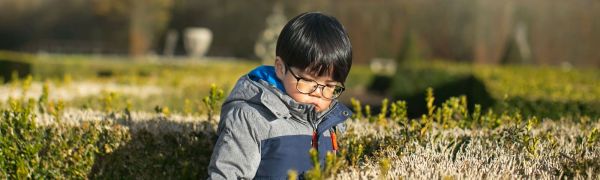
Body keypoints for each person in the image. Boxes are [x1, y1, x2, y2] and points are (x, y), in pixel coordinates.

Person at [208, 12, 353, 179]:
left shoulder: (329, 123)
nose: (318, 94)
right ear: (280, 68)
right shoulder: (251, 119)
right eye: (307, 80)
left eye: (329, 86)